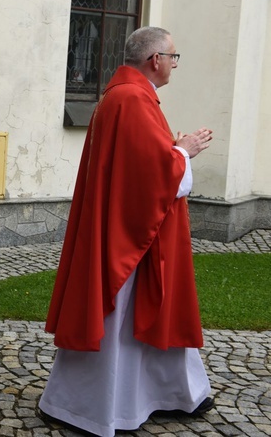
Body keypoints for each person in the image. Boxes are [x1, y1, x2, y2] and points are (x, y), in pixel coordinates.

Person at [39, 26, 215, 436]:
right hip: (130, 240)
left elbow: (139, 161)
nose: (174, 64)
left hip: (130, 230)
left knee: (142, 316)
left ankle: (169, 394)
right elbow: (153, 172)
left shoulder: (125, 95)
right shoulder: (133, 98)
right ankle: (87, 408)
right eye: (173, 57)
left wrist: (171, 149)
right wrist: (183, 152)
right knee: (118, 321)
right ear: (154, 60)